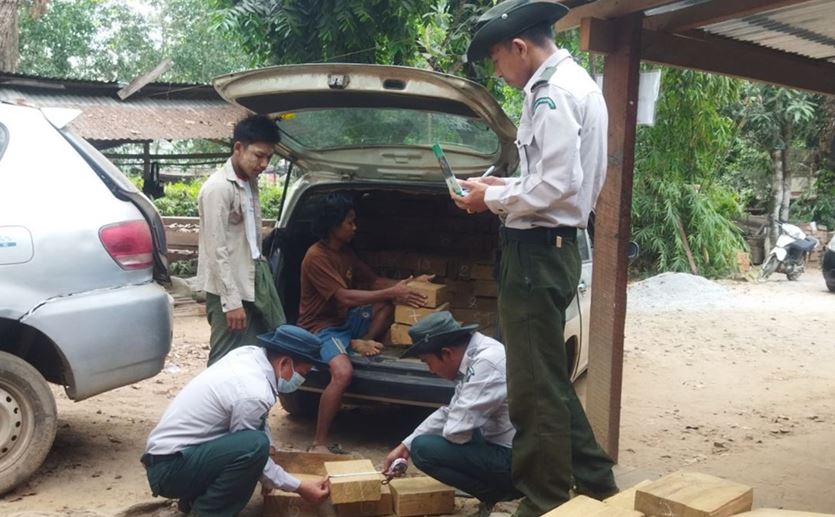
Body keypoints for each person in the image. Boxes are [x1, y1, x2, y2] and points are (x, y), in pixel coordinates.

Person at [456, 1, 618, 515]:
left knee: (531, 389)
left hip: (536, 253)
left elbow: (557, 184)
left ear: (519, 47)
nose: (500, 72)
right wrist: (501, 185)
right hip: (550, 247)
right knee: (546, 378)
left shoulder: (551, 93)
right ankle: (596, 483)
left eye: (497, 60)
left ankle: (543, 499)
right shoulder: (575, 84)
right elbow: (553, 178)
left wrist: (490, 198)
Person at [141, 325, 330, 516]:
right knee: (255, 447)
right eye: (302, 373)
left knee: (258, 444)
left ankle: (192, 502)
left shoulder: (250, 355)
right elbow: (252, 452)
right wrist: (299, 486)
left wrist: (270, 448)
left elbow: (257, 420)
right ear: (284, 363)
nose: (301, 379)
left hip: (168, 458)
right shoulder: (254, 391)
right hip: (169, 470)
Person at [297, 193, 430, 453]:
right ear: (333, 224)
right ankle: (319, 443)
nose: (354, 227)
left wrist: (409, 285)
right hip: (322, 328)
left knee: (385, 304)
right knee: (343, 373)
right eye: (350, 222)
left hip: (344, 321)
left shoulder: (345, 251)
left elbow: (374, 282)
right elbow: (344, 297)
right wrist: (392, 292)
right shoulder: (316, 257)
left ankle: (361, 341)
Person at [384, 311, 518, 517]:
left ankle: (499, 492)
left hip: (516, 458)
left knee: (423, 449)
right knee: (420, 442)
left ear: (446, 353)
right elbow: (451, 411)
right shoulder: (478, 352)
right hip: (510, 445)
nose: (431, 370)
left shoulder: (486, 363)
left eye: (428, 362)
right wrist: (404, 446)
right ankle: (498, 489)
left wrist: (415, 445)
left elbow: (456, 432)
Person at [196, 114, 286, 366]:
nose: (264, 164)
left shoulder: (250, 181)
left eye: (269, 157)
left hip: (255, 275)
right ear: (238, 148)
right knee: (225, 361)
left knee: (261, 352)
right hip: (229, 286)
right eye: (259, 155)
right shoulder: (217, 188)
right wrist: (231, 302)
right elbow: (216, 250)